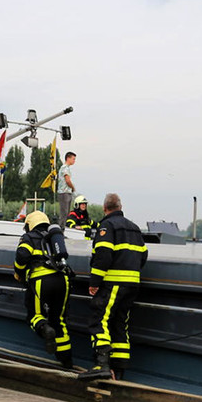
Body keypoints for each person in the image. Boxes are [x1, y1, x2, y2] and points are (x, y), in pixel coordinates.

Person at [79, 194, 148, 381]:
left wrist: (94, 282)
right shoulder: (134, 228)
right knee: (120, 324)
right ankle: (119, 369)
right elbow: (143, 255)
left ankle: (101, 364)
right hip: (132, 284)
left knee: (99, 320)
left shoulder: (107, 226)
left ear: (105, 209)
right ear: (120, 207)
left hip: (112, 283)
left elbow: (103, 255)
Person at [14, 210, 73, 370]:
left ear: (30, 224)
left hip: (41, 281)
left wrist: (19, 272)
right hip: (62, 280)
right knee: (58, 320)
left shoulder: (29, 237)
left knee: (35, 315)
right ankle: (66, 362)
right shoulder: (54, 237)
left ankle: (45, 329)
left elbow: (22, 256)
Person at [55, 151, 77, 225]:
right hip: (64, 192)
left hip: (65, 192)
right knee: (64, 213)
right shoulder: (65, 168)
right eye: (73, 159)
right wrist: (73, 187)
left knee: (65, 212)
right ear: (68, 158)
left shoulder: (65, 168)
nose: (74, 161)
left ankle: (63, 227)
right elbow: (67, 180)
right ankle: (61, 227)